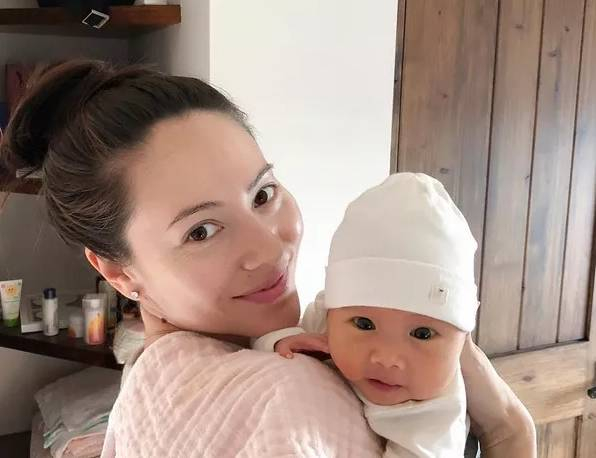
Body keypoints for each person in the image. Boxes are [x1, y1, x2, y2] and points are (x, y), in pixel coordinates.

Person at [0, 59, 536, 457]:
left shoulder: (157, 380)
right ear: (118, 271)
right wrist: (510, 429)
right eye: (201, 231)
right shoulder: (287, 395)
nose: (270, 248)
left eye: (262, 194)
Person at [254, 172, 481, 457]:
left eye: (422, 334)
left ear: (462, 340)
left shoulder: (434, 416)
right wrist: (281, 341)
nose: (386, 357)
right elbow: (259, 344)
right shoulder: (326, 318)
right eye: (365, 324)